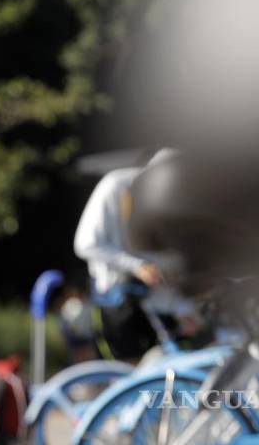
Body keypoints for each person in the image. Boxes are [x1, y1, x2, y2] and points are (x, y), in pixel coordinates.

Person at [72, 149, 202, 361]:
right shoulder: (116, 185)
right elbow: (86, 244)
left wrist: (183, 308)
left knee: (168, 375)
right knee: (128, 374)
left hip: (158, 308)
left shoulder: (172, 202)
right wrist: (136, 266)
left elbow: (170, 265)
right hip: (117, 301)